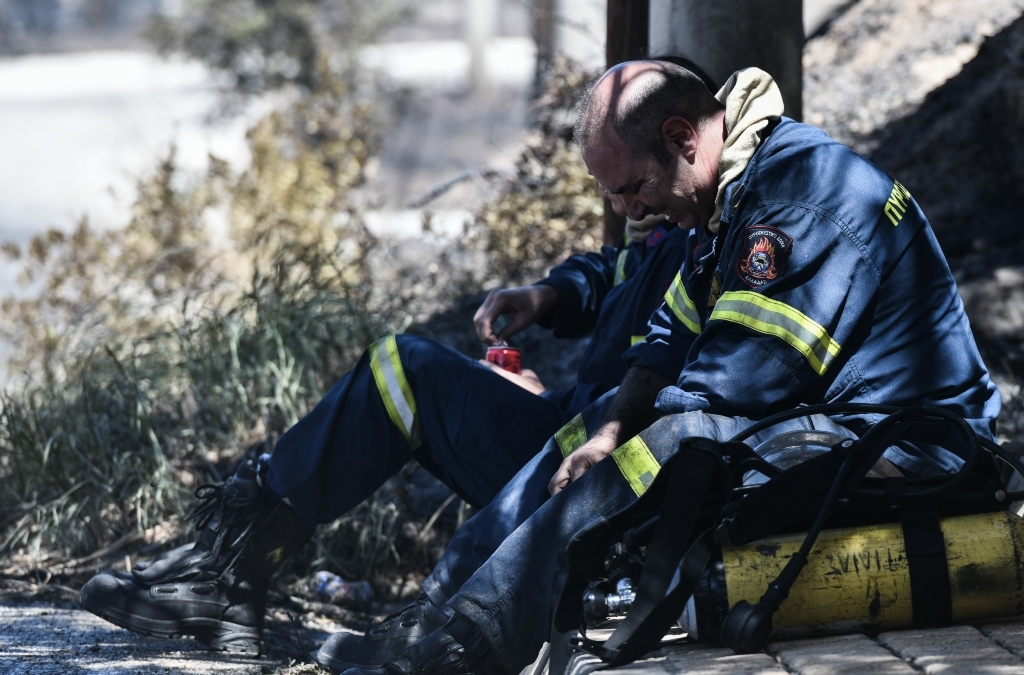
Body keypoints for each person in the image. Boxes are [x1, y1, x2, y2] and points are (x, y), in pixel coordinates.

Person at [329, 60, 1001, 675]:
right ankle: (441, 611)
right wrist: (604, 434)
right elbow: (665, 345)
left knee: (678, 439)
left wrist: (625, 442)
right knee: (611, 424)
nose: (629, 213)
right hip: (837, 434)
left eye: (632, 188)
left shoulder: (797, 205)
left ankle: (466, 646)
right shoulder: (730, 199)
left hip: (914, 457)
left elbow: (732, 389)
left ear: (683, 138)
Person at [76, 200, 690, 662]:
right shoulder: (663, 219)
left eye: (629, 185)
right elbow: (619, 268)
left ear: (679, 142)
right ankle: (232, 570)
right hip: (571, 421)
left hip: (597, 466)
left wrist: (550, 402)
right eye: (608, 190)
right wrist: (547, 294)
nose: (619, 205)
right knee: (398, 371)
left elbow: (661, 391)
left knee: (409, 369)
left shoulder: (714, 234)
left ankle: (246, 580)